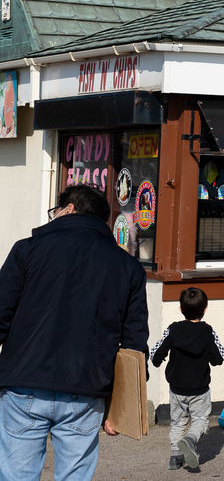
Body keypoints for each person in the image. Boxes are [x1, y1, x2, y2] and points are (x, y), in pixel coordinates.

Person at [0, 184, 148, 481]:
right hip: (87, 389)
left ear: (68, 209)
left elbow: (1, 314)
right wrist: (123, 404)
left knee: (16, 475)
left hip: (24, 382)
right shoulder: (128, 267)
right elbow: (134, 343)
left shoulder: (27, 250)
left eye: (55, 211)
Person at [150, 287, 224, 470]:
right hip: (199, 389)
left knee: (177, 423)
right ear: (205, 309)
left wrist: (158, 361)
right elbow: (219, 357)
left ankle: (175, 458)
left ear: (180, 308)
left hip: (177, 388)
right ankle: (190, 440)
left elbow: (156, 353)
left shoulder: (173, 330)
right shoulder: (208, 332)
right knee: (200, 420)